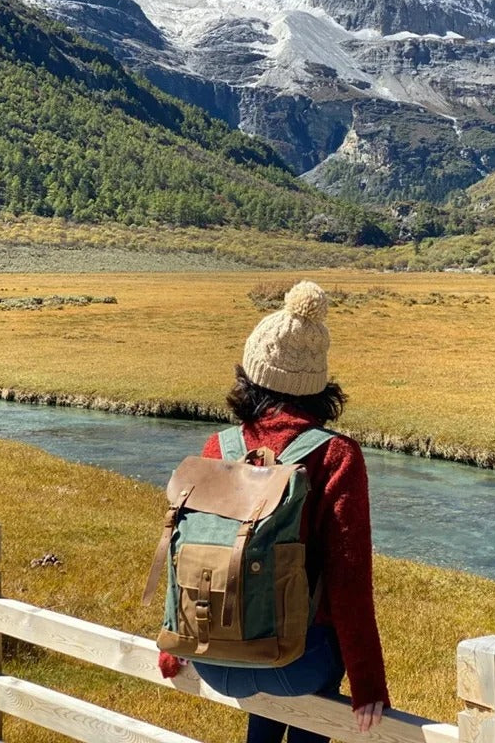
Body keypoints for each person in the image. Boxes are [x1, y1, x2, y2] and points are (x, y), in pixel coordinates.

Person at [159, 280, 389, 742]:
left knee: (263, 670)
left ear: (250, 373)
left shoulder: (219, 446)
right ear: (318, 385)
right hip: (297, 666)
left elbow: (187, 555)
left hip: (211, 656)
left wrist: (172, 645)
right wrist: (369, 684)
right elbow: (348, 583)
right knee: (304, 664)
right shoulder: (335, 456)